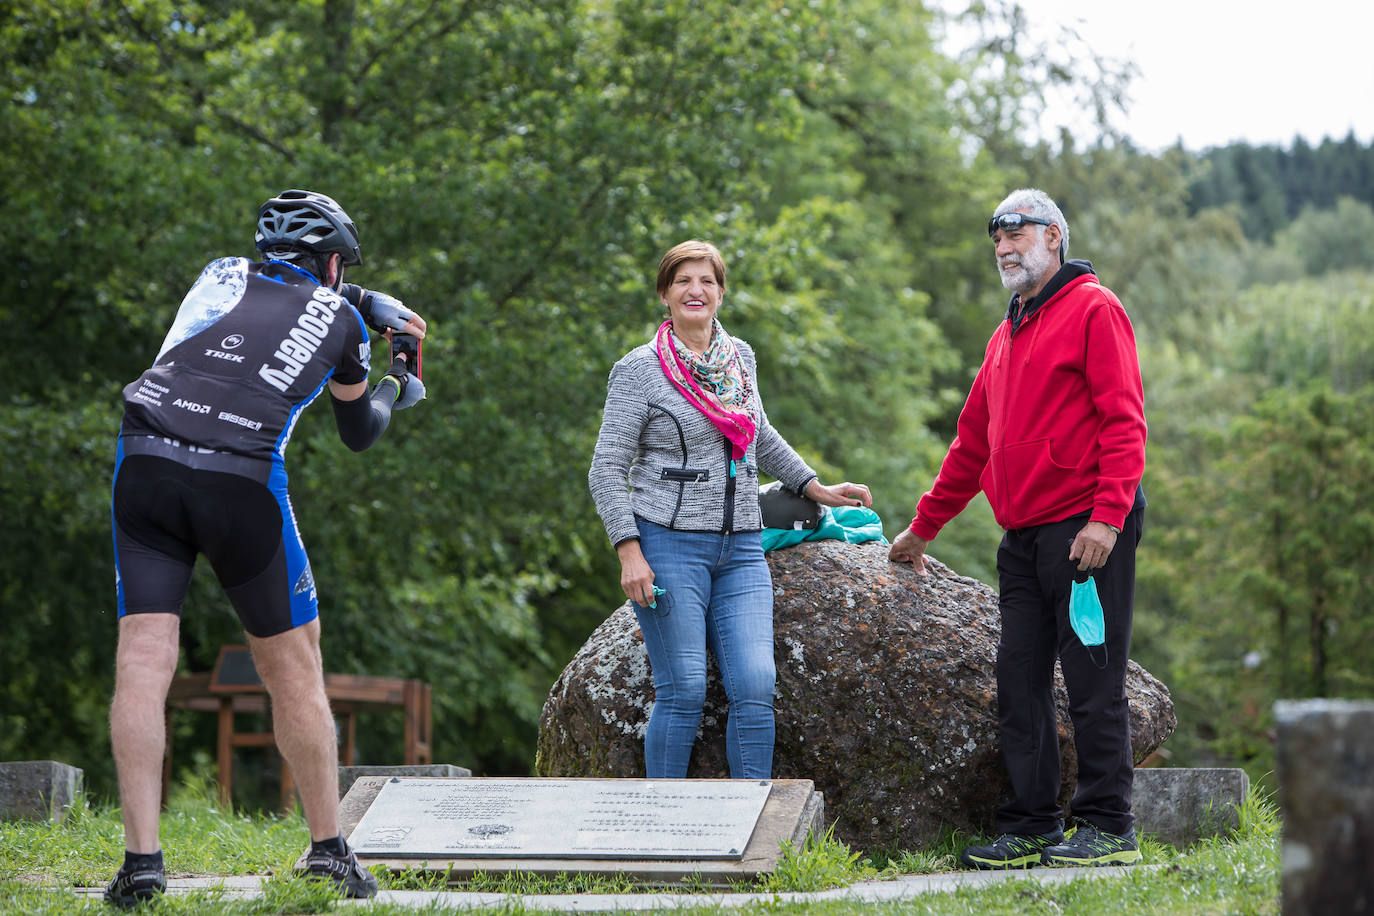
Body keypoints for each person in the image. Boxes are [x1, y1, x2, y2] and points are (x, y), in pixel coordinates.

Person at [104, 190, 428, 907]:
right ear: (336, 262)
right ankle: (329, 852)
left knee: (142, 658)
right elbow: (358, 431)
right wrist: (399, 378)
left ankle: (141, 865)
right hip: (240, 476)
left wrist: (364, 299)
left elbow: (283, 291)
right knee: (294, 661)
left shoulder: (217, 273)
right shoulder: (343, 322)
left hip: (145, 456)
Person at [888, 189, 1147, 869]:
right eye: (996, 238)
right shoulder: (1004, 337)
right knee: (1019, 681)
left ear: (1055, 235)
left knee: (1092, 679)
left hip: (1086, 532)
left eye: (1018, 232)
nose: (1004, 246)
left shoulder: (1096, 309)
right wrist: (923, 528)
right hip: (1025, 536)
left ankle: (1109, 825)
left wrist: (1107, 519)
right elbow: (972, 444)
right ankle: (1033, 825)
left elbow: (1125, 422)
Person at [588, 239, 873, 781]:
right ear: (665, 294)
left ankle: (753, 841)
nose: (696, 290)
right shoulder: (638, 370)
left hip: (743, 547)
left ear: (720, 292)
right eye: (683, 281)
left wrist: (814, 487)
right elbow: (605, 469)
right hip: (668, 544)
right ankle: (661, 844)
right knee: (685, 689)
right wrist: (629, 552)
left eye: (707, 280)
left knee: (755, 687)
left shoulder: (740, 356)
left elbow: (760, 435)